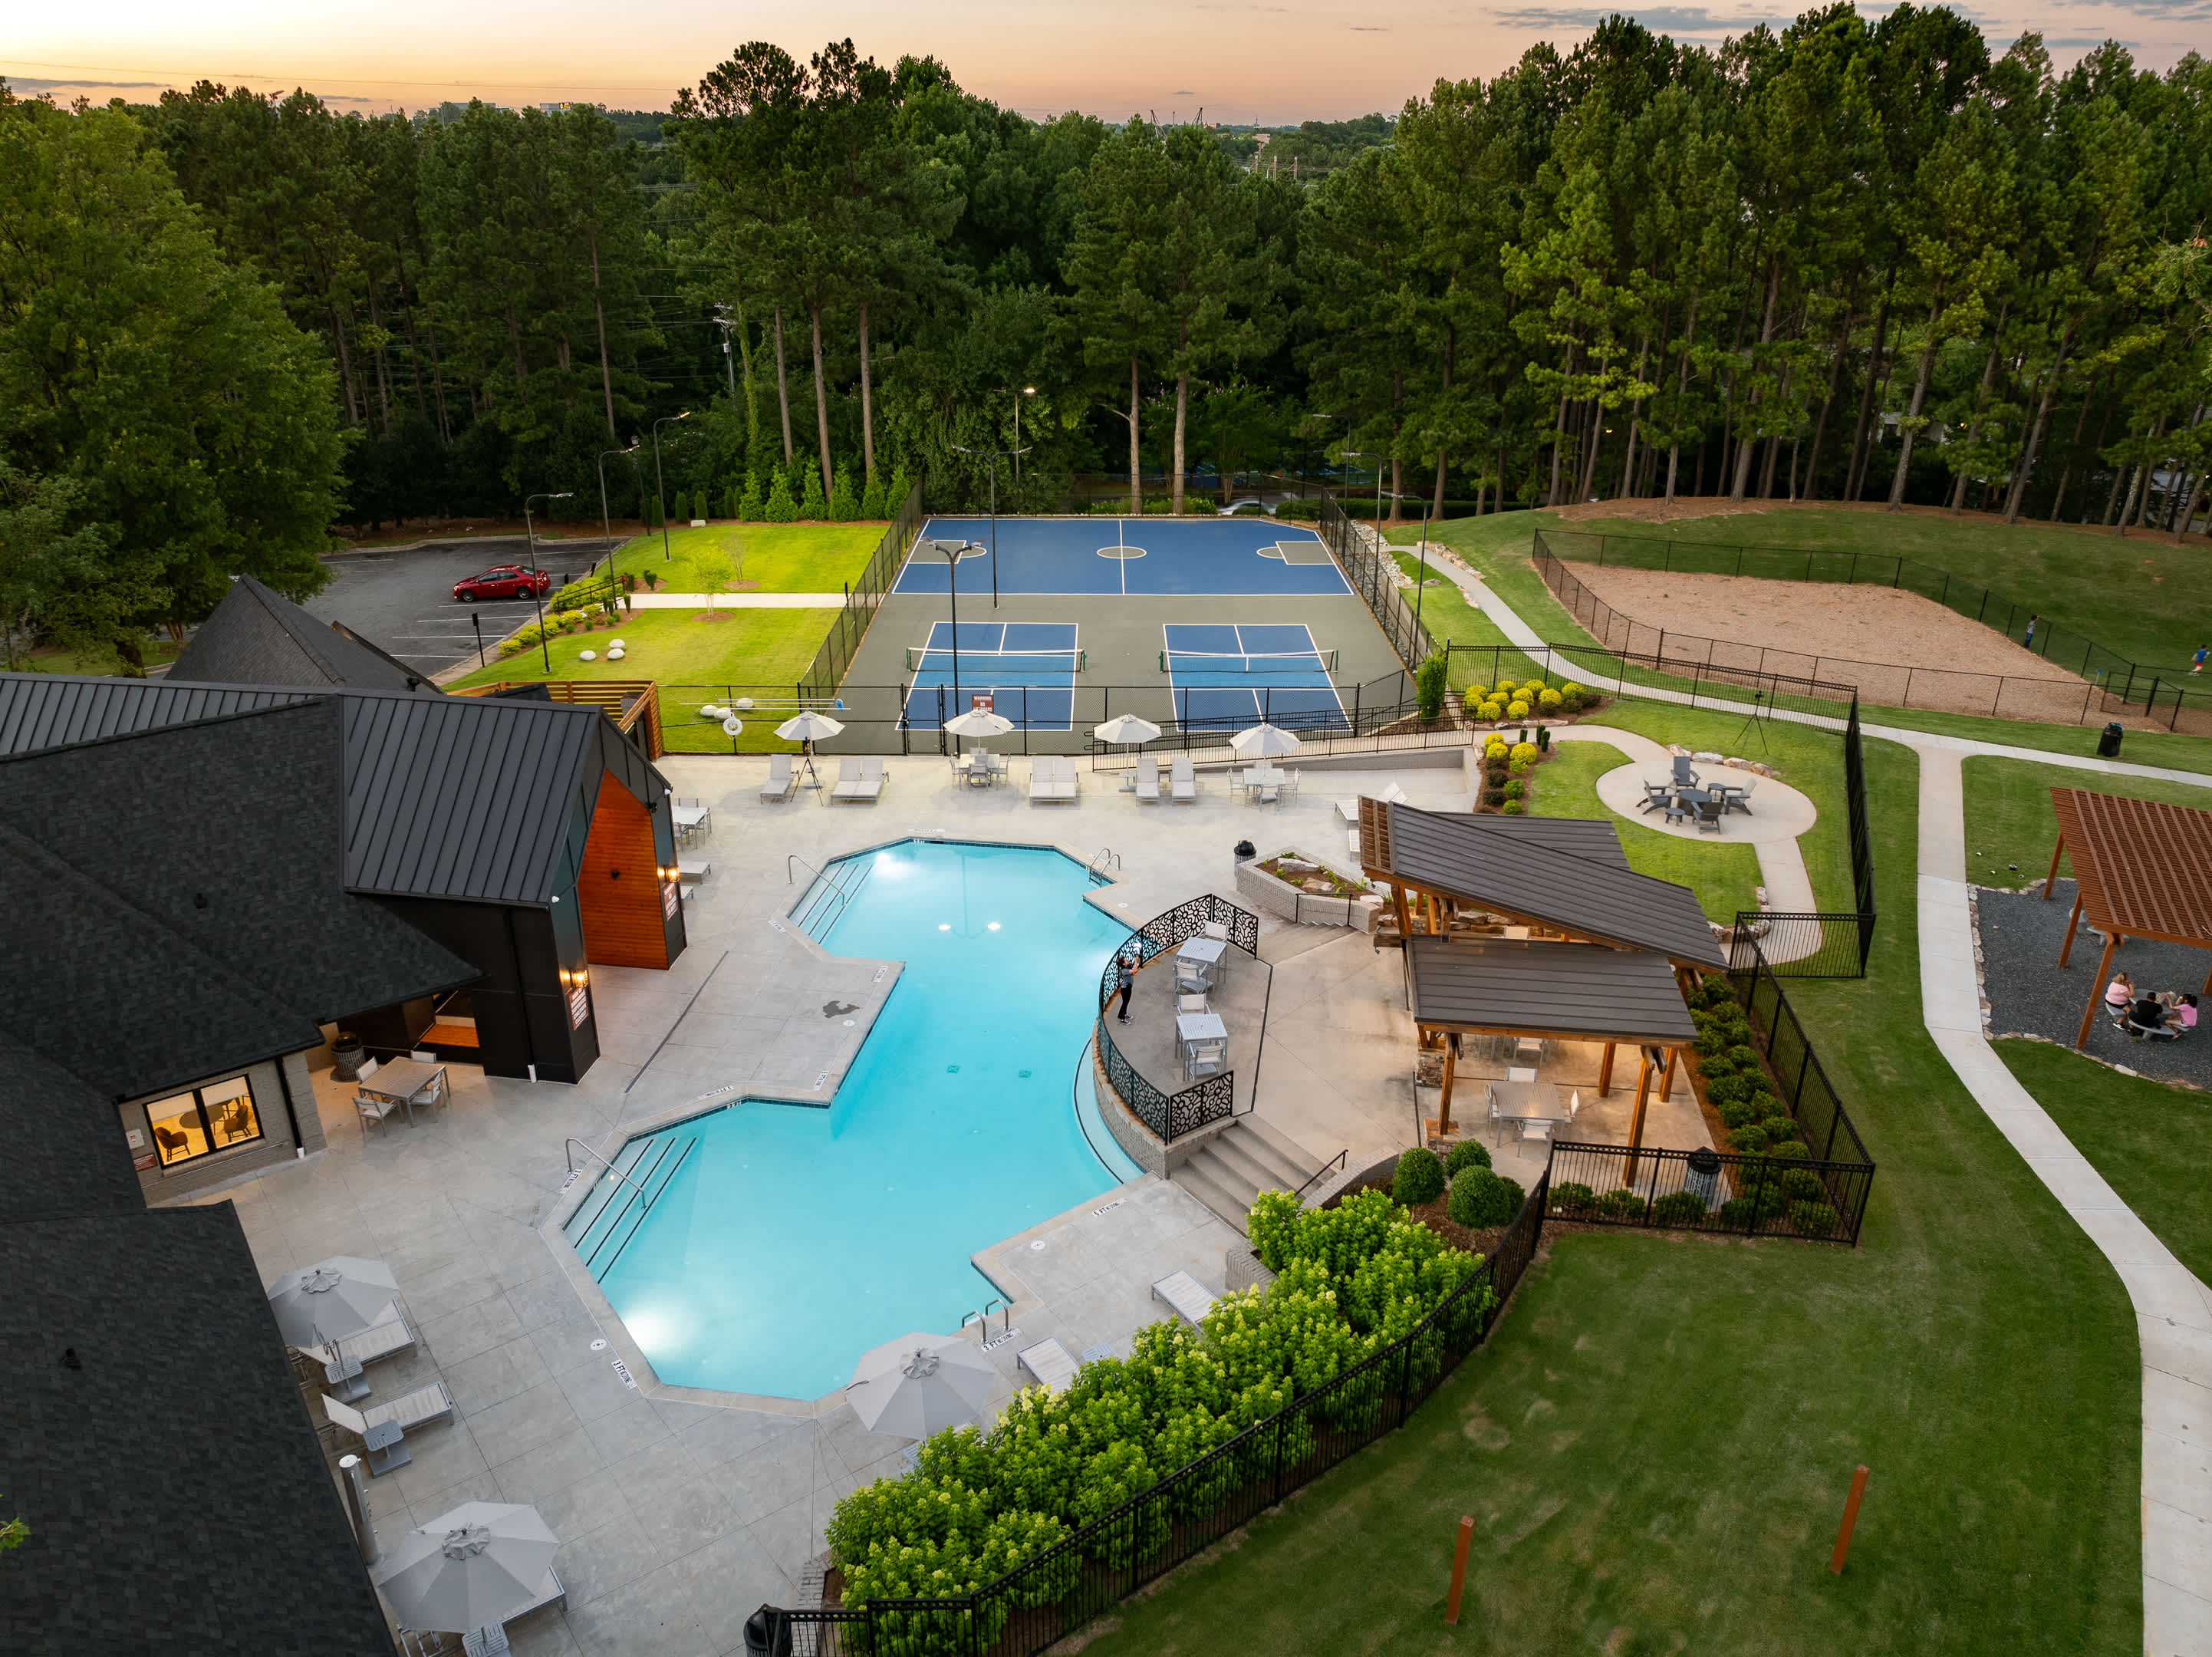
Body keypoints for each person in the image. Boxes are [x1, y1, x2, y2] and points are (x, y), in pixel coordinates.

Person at [1114, 952, 1136, 1023]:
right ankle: (1122, 1017)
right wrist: (1136, 961)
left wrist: (1136, 960)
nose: (1128, 961)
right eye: (1126, 960)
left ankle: (1125, 1014)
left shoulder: (1127, 967)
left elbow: (1132, 966)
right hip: (1125, 989)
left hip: (1128, 988)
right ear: (1123, 964)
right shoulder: (1124, 971)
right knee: (1125, 1003)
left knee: (1126, 1002)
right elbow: (1135, 970)